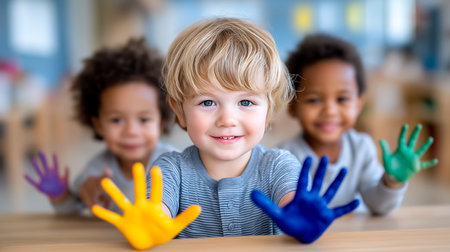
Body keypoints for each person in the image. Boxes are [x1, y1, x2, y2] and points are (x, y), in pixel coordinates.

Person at [92, 18, 359, 249]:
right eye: (207, 102)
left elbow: (292, 202)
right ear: (179, 109)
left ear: (269, 110)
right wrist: (151, 224)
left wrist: (302, 217)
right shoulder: (169, 169)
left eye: (246, 102)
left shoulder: (279, 166)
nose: (227, 119)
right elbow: (157, 209)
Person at [278, 33, 438, 215]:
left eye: (342, 99)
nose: (330, 111)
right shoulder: (285, 156)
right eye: (314, 100)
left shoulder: (362, 148)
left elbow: (379, 206)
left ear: (359, 105)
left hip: (354, 239)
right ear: (292, 106)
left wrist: (392, 181)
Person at [25, 38, 177, 214]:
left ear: (162, 121)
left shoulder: (174, 164)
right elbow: (72, 214)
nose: (131, 131)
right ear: (98, 124)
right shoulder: (97, 169)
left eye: (143, 120)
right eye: (116, 120)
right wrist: (62, 196)